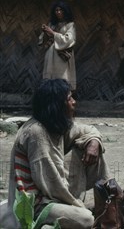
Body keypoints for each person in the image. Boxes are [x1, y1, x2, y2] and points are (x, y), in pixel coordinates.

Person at [0, 79, 109, 229]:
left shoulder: (55, 124)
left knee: (91, 145)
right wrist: (79, 207)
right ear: (57, 105)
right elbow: (51, 185)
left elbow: (88, 130)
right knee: (85, 219)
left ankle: (105, 205)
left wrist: (94, 142)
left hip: (50, 193)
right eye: (69, 98)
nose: (74, 102)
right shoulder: (36, 133)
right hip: (36, 204)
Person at [39, 1, 77, 90]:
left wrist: (53, 33)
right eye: (56, 10)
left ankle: (63, 98)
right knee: (50, 77)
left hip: (61, 56)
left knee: (62, 77)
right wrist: (45, 32)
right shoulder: (51, 24)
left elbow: (69, 39)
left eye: (61, 10)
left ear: (65, 11)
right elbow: (43, 41)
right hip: (50, 54)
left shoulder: (70, 25)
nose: (58, 12)